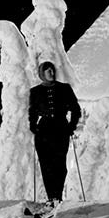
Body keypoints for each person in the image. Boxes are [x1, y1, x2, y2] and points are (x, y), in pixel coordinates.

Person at [28, 59, 82, 204]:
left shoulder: (65, 88)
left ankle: (57, 196)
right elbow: (32, 112)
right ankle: (51, 197)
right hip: (44, 130)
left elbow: (76, 109)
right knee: (46, 166)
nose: (52, 73)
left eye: (52, 70)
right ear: (42, 74)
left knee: (59, 166)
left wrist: (72, 125)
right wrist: (33, 126)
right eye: (48, 71)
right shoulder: (35, 91)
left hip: (61, 129)